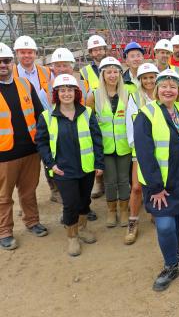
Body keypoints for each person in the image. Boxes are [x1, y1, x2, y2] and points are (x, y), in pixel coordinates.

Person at [134, 68, 179, 292]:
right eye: (164, 86)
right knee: (164, 225)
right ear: (156, 89)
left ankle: (175, 253)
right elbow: (144, 153)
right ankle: (170, 265)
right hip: (158, 184)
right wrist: (155, 187)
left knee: (177, 217)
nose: (168, 90)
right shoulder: (147, 114)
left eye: (173, 86)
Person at [35, 74, 104, 256]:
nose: (67, 94)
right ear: (56, 94)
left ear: (76, 92)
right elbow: (41, 143)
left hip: (86, 167)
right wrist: (50, 164)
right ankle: (72, 237)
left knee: (84, 201)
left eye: (70, 90)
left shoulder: (87, 113)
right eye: (62, 90)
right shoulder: (47, 117)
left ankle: (82, 229)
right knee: (71, 204)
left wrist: (99, 163)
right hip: (63, 170)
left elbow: (97, 140)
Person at [0, 43, 47, 250]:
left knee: (29, 190)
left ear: (12, 62)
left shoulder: (25, 84)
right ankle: (5, 231)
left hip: (30, 149)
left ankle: (32, 221)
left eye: (6, 61)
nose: (3, 65)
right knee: (3, 196)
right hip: (4, 154)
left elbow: (39, 114)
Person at [86, 57, 131, 229]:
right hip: (104, 148)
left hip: (124, 146)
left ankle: (124, 210)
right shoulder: (94, 96)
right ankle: (112, 211)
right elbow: (89, 123)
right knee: (110, 181)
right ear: (102, 74)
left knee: (123, 179)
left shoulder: (128, 93)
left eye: (115, 72)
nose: (112, 75)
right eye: (108, 72)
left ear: (120, 74)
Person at [124, 62, 159, 245]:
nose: (149, 81)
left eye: (152, 77)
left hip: (161, 147)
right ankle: (133, 220)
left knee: (157, 181)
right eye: (145, 78)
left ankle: (156, 212)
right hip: (141, 147)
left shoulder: (163, 95)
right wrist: (136, 145)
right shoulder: (135, 98)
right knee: (137, 187)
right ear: (140, 80)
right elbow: (131, 124)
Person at [81, 36, 108, 201]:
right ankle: (99, 183)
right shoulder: (85, 71)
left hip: (112, 112)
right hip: (94, 114)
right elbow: (84, 93)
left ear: (105, 50)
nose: (98, 52)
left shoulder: (113, 65)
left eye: (100, 49)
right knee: (97, 147)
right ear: (91, 53)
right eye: (95, 50)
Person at [12, 35, 52, 110]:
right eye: (23, 52)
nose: (26, 55)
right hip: (23, 117)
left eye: (30, 52)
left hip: (44, 115)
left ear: (35, 54)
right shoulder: (10, 75)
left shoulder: (47, 72)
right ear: (17, 54)